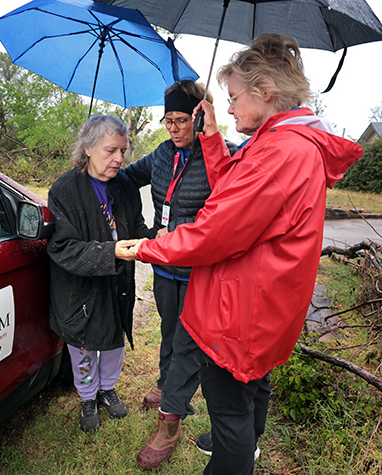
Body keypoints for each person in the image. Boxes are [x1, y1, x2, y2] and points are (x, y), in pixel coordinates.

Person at [118, 34, 363, 474]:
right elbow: (236, 186)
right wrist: (211, 137)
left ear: (265, 92)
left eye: (233, 98)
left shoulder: (281, 154)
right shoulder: (279, 142)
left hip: (242, 313)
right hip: (265, 305)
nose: (228, 108)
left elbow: (216, 232)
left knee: (228, 400)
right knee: (254, 383)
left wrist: (150, 248)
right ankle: (243, 438)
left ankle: (235, 452)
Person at [120, 80, 237, 469]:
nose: (173, 127)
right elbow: (125, 178)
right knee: (170, 330)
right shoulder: (161, 154)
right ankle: (164, 383)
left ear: (199, 116)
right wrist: (92, 174)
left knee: (188, 343)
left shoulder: (220, 156)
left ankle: (171, 422)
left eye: (181, 120)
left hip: (200, 271)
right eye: (167, 120)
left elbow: (231, 201)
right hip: (164, 266)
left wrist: (211, 135)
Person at [47, 115, 149, 433]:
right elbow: (62, 247)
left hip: (117, 283)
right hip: (81, 290)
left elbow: (138, 227)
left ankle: (108, 389)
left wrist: (153, 239)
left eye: (123, 150)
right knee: (84, 347)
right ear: (88, 148)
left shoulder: (126, 187)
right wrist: (110, 252)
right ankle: (88, 396)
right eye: (110, 150)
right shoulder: (64, 190)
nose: (119, 159)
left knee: (114, 341)